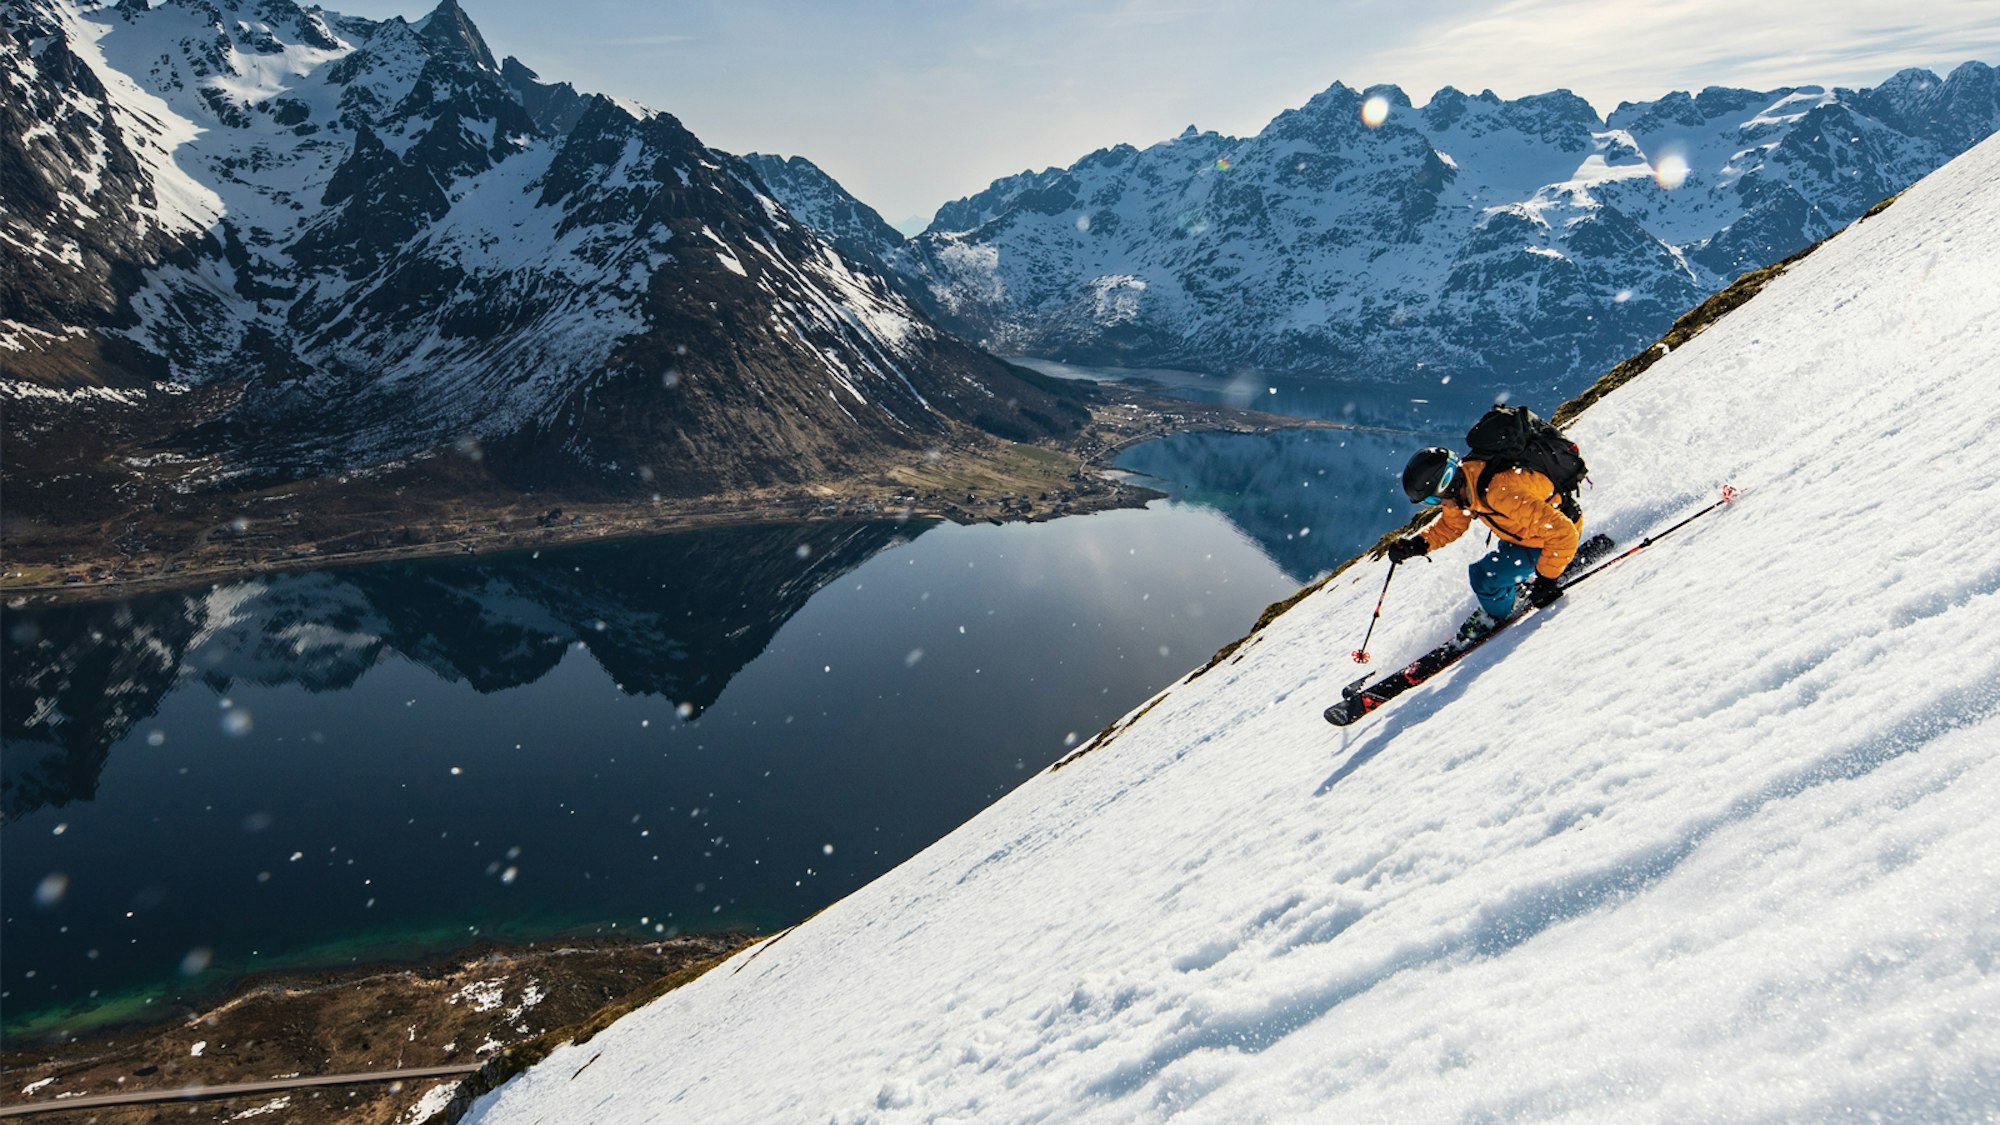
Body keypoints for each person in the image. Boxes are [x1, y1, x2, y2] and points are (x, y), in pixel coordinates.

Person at [1386, 446, 1583, 642]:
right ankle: (1519, 581)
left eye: (1433, 498)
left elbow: (1563, 533)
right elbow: (1452, 524)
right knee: (1503, 557)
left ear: (1448, 483)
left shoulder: (1499, 492)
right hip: (1526, 535)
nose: (1438, 504)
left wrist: (1547, 581)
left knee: (1483, 577)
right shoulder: (1471, 478)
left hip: (1550, 539)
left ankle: (1496, 616)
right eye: (1429, 502)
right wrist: (1419, 544)